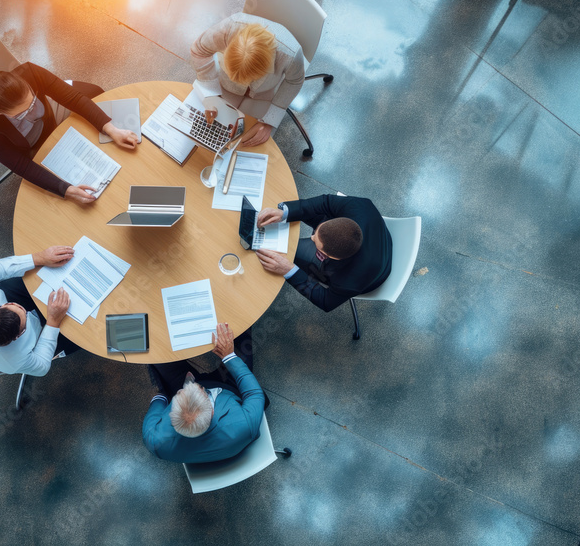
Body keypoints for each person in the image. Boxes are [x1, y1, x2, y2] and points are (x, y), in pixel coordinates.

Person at [0, 63, 139, 203]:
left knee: (94, 92)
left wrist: (111, 129)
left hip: (50, 111)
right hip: (30, 142)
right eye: (22, 115)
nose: (31, 112)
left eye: (32, 102)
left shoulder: (30, 72)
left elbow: (72, 98)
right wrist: (65, 189)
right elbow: (22, 166)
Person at [142, 324, 266, 463]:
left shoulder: (154, 441)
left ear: (171, 414)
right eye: (200, 389)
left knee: (156, 356)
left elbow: (158, 398)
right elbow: (255, 394)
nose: (189, 384)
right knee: (242, 335)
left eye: (180, 393)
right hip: (228, 387)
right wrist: (229, 357)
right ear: (213, 412)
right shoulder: (244, 425)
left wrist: (162, 392)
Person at [255, 194, 393, 312]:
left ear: (332, 257)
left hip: (373, 273)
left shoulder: (350, 279)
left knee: (286, 252)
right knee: (313, 211)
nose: (311, 237)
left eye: (316, 244)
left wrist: (289, 270)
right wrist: (286, 213)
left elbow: (325, 301)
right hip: (379, 240)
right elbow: (325, 202)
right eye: (317, 231)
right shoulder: (361, 206)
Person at [0, 246, 80, 377]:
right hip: (41, 327)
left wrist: (38, 258)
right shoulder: (15, 361)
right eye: (24, 315)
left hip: (11, 294)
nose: (18, 306)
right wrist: (53, 321)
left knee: (35, 274)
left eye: (9, 305)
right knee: (77, 337)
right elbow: (43, 366)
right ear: (19, 335)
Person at [190, 13, 305, 147]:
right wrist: (210, 92)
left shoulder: (290, 55)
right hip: (226, 86)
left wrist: (268, 122)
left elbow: (294, 81)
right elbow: (199, 50)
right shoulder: (226, 29)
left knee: (250, 146)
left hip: (263, 95)